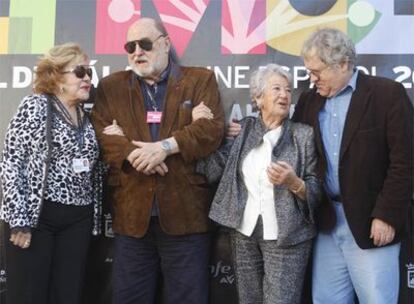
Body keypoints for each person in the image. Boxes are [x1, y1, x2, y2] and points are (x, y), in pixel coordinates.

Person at [90, 18, 224, 304]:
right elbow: (101, 136)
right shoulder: (111, 87)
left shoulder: (200, 80)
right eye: (130, 46)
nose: (137, 51)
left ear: (165, 43)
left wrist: (165, 148)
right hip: (132, 220)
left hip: (185, 217)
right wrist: (134, 153)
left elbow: (211, 131)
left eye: (145, 44)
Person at [291, 28, 413, 303]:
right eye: (309, 72)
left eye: (317, 71)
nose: (312, 79)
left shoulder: (387, 94)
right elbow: (292, 146)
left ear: (343, 64)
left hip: (373, 223)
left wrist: (387, 215)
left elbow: (405, 162)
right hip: (327, 224)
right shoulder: (309, 101)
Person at [197, 64, 321, 304]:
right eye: (276, 88)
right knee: (249, 300)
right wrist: (209, 130)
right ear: (258, 98)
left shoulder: (303, 135)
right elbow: (210, 169)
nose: (284, 95)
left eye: (287, 89)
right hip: (244, 233)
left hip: (288, 236)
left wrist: (294, 183)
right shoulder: (242, 130)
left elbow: (316, 191)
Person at [0, 43, 102, 304]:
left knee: (67, 295)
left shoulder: (85, 114)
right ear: (57, 76)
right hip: (37, 218)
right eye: (80, 72)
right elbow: (12, 162)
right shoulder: (34, 106)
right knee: (29, 295)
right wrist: (19, 219)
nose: (88, 78)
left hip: (77, 220)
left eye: (89, 72)